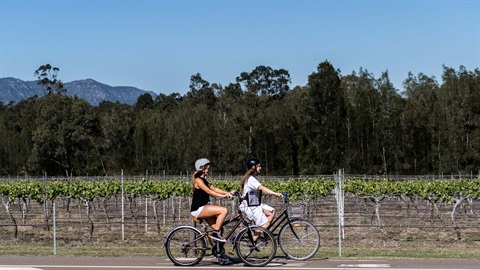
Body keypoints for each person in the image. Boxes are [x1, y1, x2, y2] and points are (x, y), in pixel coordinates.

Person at [190, 158, 233, 242]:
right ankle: (215, 233)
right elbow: (209, 191)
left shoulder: (204, 180)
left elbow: (215, 189)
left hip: (203, 208)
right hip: (198, 209)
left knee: (219, 228)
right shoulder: (198, 180)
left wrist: (228, 193)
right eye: (207, 169)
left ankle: (218, 251)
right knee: (224, 210)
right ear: (201, 168)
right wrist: (224, 196)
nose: (208, 170)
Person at [239, 157, 283, 229]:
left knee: (272, 212)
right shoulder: (251, 179)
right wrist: (275, 193)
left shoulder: (251, 178)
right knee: (265, 224)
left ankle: (264, 232)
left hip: (254, 203)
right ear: (253, 167)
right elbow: (262, 188)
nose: (260, 168)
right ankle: (256, 237)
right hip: (251, 206)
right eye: (259, 166)